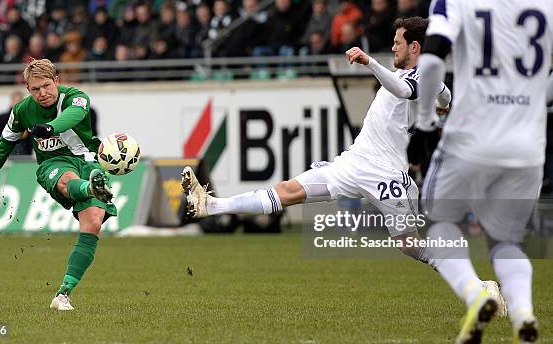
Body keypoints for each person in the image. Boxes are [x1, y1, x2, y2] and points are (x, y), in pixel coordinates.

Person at [185, 17, 449, 263]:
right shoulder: (424, 78)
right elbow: (444, 94)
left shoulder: (422, 74)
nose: (392, 48)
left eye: (397, 43)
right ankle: (211, 204)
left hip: (387, 174)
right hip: (354, 163)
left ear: (414, 47)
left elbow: (404, 90)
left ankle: (475, 284)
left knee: (409, 245)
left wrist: (369, 62)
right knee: (287, 190)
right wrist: (443, 103)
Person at [415, 1, 553, 343]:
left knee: (436, 224)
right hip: (527, 145)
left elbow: (432, 59)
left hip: (470, 137)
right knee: (507, 241)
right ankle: (522, 312)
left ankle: (477, 295)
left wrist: (424, 121)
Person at [0, 59, 116, 311]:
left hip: (88, 161)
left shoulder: (76, 98)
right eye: (35, 89)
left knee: (93, 223)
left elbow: (74, 116)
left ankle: (63, 294)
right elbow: (1, 148)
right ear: (27, 89)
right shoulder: (21, 111)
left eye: (46, 86)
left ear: (57, 81)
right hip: (53, 164)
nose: (42, 93)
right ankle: (89, 188)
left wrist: (50, 127)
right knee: (67, 180)